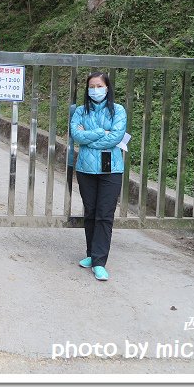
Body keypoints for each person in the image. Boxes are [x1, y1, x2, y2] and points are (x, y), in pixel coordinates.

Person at [70, 71, 127, 281]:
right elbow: (76, 135)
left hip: (111, 169)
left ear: (107, 88)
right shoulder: (80, 111)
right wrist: (101, 132)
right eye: (92, 86)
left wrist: (89, 136)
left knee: (105, 214)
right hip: (86, 169)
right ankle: (91, 254)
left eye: (99, 86)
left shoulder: (118, 110)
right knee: (91, 212)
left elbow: (115, 137)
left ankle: (100, 261)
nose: (95, 90)